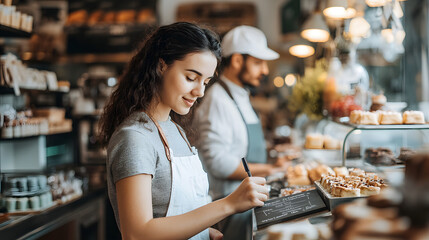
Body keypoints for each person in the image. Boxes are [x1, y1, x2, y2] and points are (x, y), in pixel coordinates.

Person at [99, 22, 269, 240]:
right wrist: (228, 204)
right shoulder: (135, 138)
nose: (199, 91)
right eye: (191, 77)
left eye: (206, 82)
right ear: (161, 66)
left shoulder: (176, 130)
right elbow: (137, 233)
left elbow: (176, 211)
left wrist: (202, 231)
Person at [193, 26, 288, 240]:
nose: (264, 70)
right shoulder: (218, 100)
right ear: (237, 61)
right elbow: (219, 163)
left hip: (247, 201)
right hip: (228, 210)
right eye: (257, 63)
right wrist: (271, 168)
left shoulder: (240, 95)